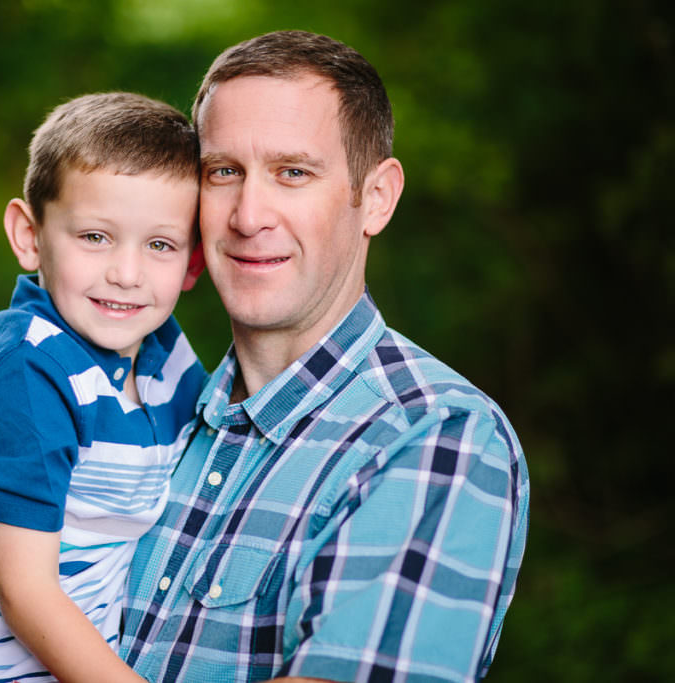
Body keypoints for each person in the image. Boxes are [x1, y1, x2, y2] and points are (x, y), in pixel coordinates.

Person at [119, 30, 530, 683]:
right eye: (224, 171)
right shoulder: (141, 417)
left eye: (293, 172)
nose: (249, 215)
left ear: (377, 197)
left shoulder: (436, 434)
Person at [0, 91, 208, 683]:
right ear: (30, 235)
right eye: (94, 237)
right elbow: (27, 592)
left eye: (159, 245)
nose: (127, 273)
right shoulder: (28, 365)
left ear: (193, 264)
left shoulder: (167, 358)